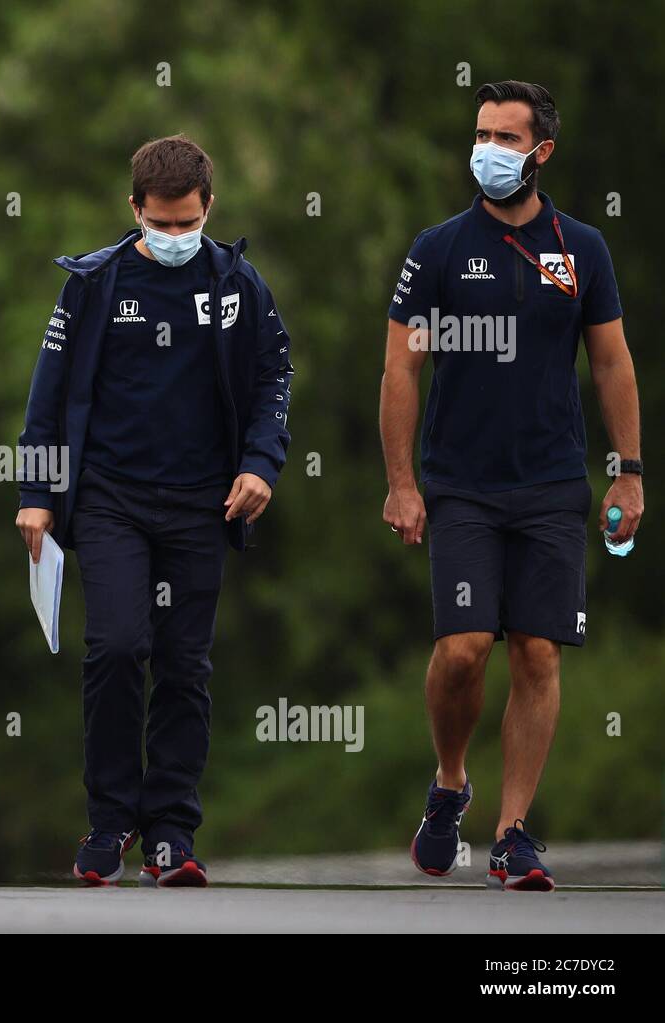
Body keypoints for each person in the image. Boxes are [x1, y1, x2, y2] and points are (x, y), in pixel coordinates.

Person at [381, 81, 643, 891]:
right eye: (481, 133)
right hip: (461, 484)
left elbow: (611, 361)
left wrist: (629, 472)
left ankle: (513, 831)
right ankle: (451, 782)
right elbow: (401, 366)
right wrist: (402, 482)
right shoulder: (438, 247)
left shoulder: (583, 249)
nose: (488, 149)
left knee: (537, 651)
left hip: (554, 484)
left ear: (542, 152)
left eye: (505, 136)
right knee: (462, 651)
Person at [15, 135, 293, 887]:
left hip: (204, 503)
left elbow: (274, 377)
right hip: (110, 498)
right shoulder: (94, 283)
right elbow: (48, 395)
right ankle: (109, 821)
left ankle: (172, 830)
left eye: (187, 223)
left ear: (209, 209)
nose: (174, 238)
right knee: (114, 647)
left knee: (184, 665)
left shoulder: (238, 285)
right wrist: (36, 495)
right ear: (134, 208)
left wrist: (261, 465)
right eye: (161, 223)